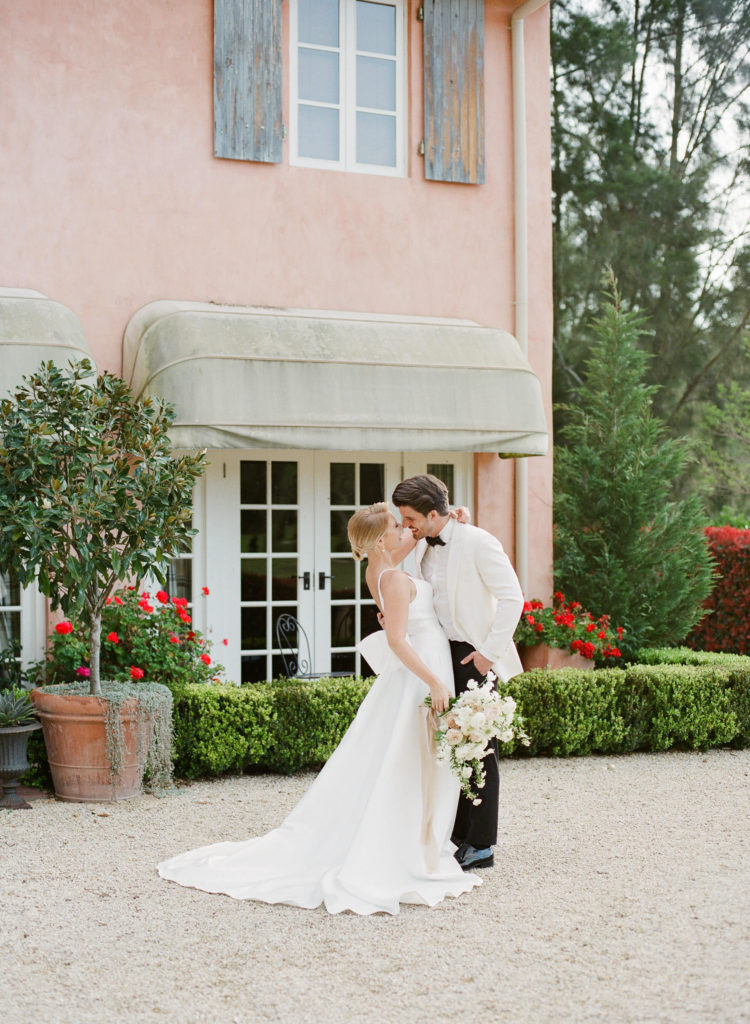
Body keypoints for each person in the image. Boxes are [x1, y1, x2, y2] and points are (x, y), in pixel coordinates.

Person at [158, 502, 481, 915]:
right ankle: (409, 845)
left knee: (407, 762)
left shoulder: (378, 570)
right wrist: (435, 681)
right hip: (419, 677)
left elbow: (410, 549)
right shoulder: (396, 580)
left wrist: (451, 520)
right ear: (382, 539)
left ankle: (420, 840)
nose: (407, 531)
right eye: (398, 527)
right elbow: (398, 641)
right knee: (409, 764)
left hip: (413, 675)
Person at [392, 474, 525, 872]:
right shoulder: (421, 545)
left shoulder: (478, 542)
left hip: (474, 656)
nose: (408, 526)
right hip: (438, 655)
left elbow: (512, 599)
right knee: (451, 746)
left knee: (480, 749)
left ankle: (481, 845)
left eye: (412, 518)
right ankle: (457, 833)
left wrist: (487, 654)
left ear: (434, 514)